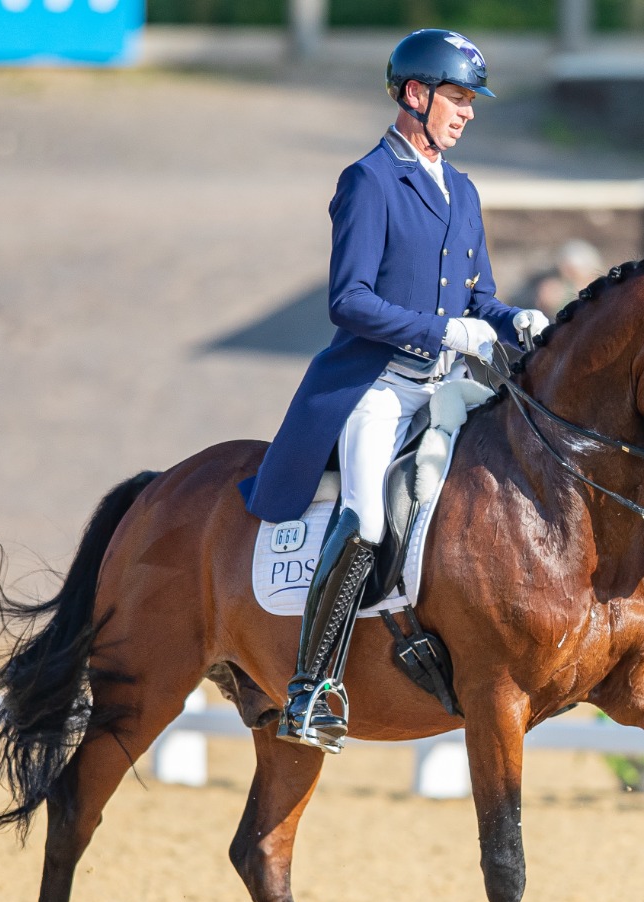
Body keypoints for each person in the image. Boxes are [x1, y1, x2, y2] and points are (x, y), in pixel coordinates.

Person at [238, 29, 550, 753]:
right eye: (458, 98)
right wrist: (446, 333)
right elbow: (347, 301)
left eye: (472, 101)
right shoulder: (370, 180)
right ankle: (311, 689)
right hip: (377, 385)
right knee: (369, 515)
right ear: (416, 94)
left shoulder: (462, 188)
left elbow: (480, 298)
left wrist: (519, 320)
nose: (467, 113)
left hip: (444, 389)